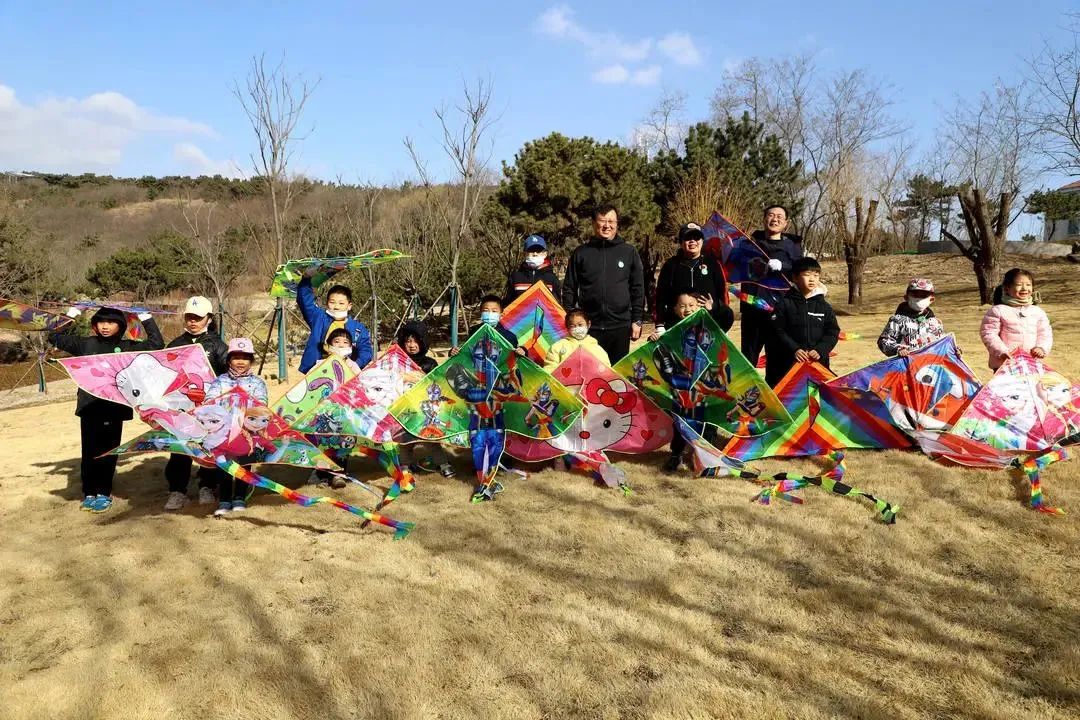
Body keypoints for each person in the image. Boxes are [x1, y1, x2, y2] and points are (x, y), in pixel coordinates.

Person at [48, 306, 164, 513]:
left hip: (114, 407)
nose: (105, 326)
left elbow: (156, 344)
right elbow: (55, 336)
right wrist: (73, 313)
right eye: (101, 322)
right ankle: (89, 492)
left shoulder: (127, 347)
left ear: (120, 326)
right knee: (89, 451)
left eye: (111, 322)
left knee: (108, 452)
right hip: (90, 406)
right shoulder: (86, 344)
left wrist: (145, 317)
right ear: (95, 325)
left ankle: (103, 492)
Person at [163, 296, 230, 511]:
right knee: (180, 449)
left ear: (209, 318)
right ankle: (177, 490)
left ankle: (207, 486)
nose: (193, 321)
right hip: (181, 409)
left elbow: (227, 375)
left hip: (209, 409)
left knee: (207, 447)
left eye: (198, 318)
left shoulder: (218, 346)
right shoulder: (175, 345)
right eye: (189, 317)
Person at [562, 205, 645, 362]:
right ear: (594, 223)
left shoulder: (629, 252)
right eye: (602, 221)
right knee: (590, 372)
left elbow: (638, 288)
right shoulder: (581, 253)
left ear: (617, 224)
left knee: (617, 373)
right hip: (589, 327)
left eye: (611, 221)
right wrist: (570, 317)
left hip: (620, 326)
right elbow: (569, 287)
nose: (607, 225)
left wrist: (637, 320)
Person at [202, 338, 269, 515]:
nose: (240, 362)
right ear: (229, 360)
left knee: (244, 464)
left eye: (245, 358)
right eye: (236, 357)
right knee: (224, 465)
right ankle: (224, 500)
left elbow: (262, 405)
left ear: (251, 361)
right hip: (223, 433)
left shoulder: (258, 383)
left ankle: (239, 497)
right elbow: (209, 401)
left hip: (247, 432)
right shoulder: (219, 381)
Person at [743, 205, 804, 366]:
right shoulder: (749, 243)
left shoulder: (793, 246)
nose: (774, 219)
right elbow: (738, 267)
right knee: (748, 357)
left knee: (779, 359)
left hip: (781, 309)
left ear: (786, 223)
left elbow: (801, 271)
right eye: (770, 215)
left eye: (779, 216)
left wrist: (783, 266)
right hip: (753, 308)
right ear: (764, 219)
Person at [765, 257, 839, 387]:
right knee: (788, 397)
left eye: (816, 275)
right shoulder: (784, 304)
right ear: (795, 278)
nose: (812, 279)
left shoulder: (824, 306)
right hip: (788, 367)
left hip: (816, 365)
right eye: (807, 275)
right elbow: (777, 331)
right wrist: (794, 349)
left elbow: (832, 331)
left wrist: (821, 350)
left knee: (815, 396)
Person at [397, 321, 456, 478]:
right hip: (405, 408)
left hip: (425, 409)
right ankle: (404, 466)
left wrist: (422, 377)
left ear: (423, 342)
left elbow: (437, 384)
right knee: (404, 440)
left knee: (431, 438)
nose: (412, 345)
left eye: (416, 341)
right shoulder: (398, 362)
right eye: (408, 341)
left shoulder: (430, 363)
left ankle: (443, 464)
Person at [654, 222, 734, 335]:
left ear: (702, 241)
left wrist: (716, 309)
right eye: (687, 238)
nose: (692, 241)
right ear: (681, 242)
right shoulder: (671, 265)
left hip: (708, 326)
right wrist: (660, 325)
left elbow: (723, 294)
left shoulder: (713, 263)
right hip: (677, 327)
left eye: (696, 237)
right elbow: (660, 296)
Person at [979, 268, 1053, 371]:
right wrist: (1002, 351)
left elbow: (1045, 333)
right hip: (1006, 364)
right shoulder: (998, 311)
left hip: (1031, 364)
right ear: (1007, 288)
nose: (1024, 288)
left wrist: (1041, 348)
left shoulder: (1037, 312)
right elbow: (989, 334)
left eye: (1028, 285)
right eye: (1019, 285)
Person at [297, 277, 373, 373]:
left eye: (341, 303)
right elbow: (305, 302)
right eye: (332, 302)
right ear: (327, 303)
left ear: (349, 306)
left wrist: (356, 364)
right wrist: (306, 279)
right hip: (318, 371)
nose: (336, 307)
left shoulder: (358, 329)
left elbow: (366, 350)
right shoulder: (318, 318)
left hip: (347, 372)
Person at [877, 279, 947, 357]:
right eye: (915, 294)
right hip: (907, 362)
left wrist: (953, 350)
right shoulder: (897, 320)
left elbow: (942, 344)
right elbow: (883, 342)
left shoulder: (935, 322)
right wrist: (898, 349)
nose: (919, 298)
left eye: (924, 295)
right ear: (906, 298)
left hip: (930, 363)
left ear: (932, 299)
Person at [449, 294, 519, 355]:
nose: (490, 314)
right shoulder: (474, 331)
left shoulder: (509, 337)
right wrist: (453, 352)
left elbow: (515, 358)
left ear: (501, 315)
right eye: (486, 311)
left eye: (494, 311)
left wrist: (522, 351)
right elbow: (467, 352)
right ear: (481, 313)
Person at [543, 309, 610, 371]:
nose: (577, 328)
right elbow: (549, 369)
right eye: (572, 326)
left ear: (588, 324)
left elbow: (606, 370)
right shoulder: (557, 347)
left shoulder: (597, 349)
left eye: (580, 324)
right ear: (567, 327)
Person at [504, 234, 560, 305]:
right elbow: (508, 303)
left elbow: (557, 305)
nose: (535, 254)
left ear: (545, 254)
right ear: (524, 254)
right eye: (531, 250)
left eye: (538, 251)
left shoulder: (552, 278)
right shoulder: (515, 277)